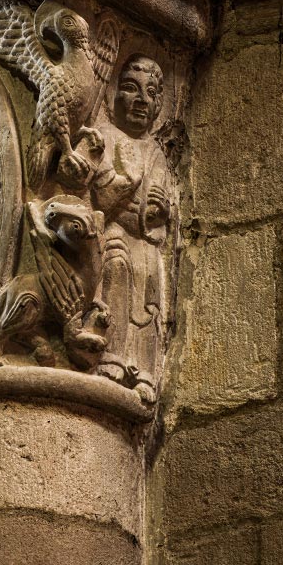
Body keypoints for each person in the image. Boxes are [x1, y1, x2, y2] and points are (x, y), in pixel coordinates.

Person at [90, 54, 172, 402]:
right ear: (113, 96)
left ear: (157, 107)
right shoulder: (103, 137)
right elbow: (96, 194)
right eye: (130, 88)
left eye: (150, 93)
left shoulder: (155, 151)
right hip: (111, 234)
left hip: (146, 242)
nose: (141, 99)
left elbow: (160, 204)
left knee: (150, 292)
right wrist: (124, 203)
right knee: (116, 264)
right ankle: (110, 355)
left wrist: (159, 207)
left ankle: (144, 371)